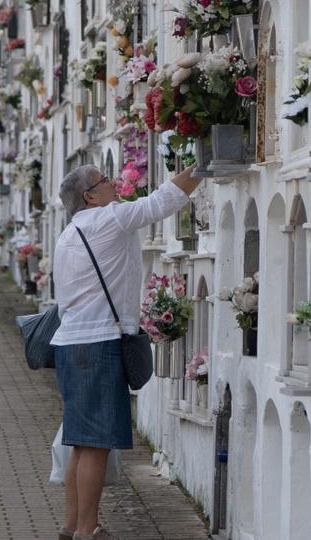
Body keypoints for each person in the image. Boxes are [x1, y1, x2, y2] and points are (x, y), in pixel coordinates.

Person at [51, 163, 201, 540]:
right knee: (97, 443)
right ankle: (88, 529)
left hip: (71, 345)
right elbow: (159, 203)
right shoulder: (107, 219)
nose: (114, 183)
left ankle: (72, 527)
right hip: (97, 344)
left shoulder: (69, 233)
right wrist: (203, 162)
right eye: (105, 180)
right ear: (90, 196)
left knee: (81, 441)